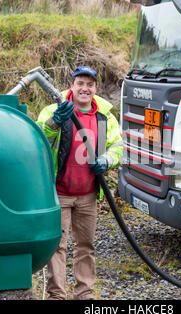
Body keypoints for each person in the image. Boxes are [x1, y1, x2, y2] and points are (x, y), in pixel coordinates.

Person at [36, 66, 122, 300]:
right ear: (71, 86)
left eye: (89, 84)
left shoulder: (104, 116)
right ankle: (57, 295)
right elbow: (39, 140)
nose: (85, 88)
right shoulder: (54, 110)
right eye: (80, 83)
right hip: (59, 193)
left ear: (95, 88)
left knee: (86, 246)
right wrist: (54, 122)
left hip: (88, 195)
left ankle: (84, 295)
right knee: (57, 247)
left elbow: (119, 147)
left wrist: (106, 160)